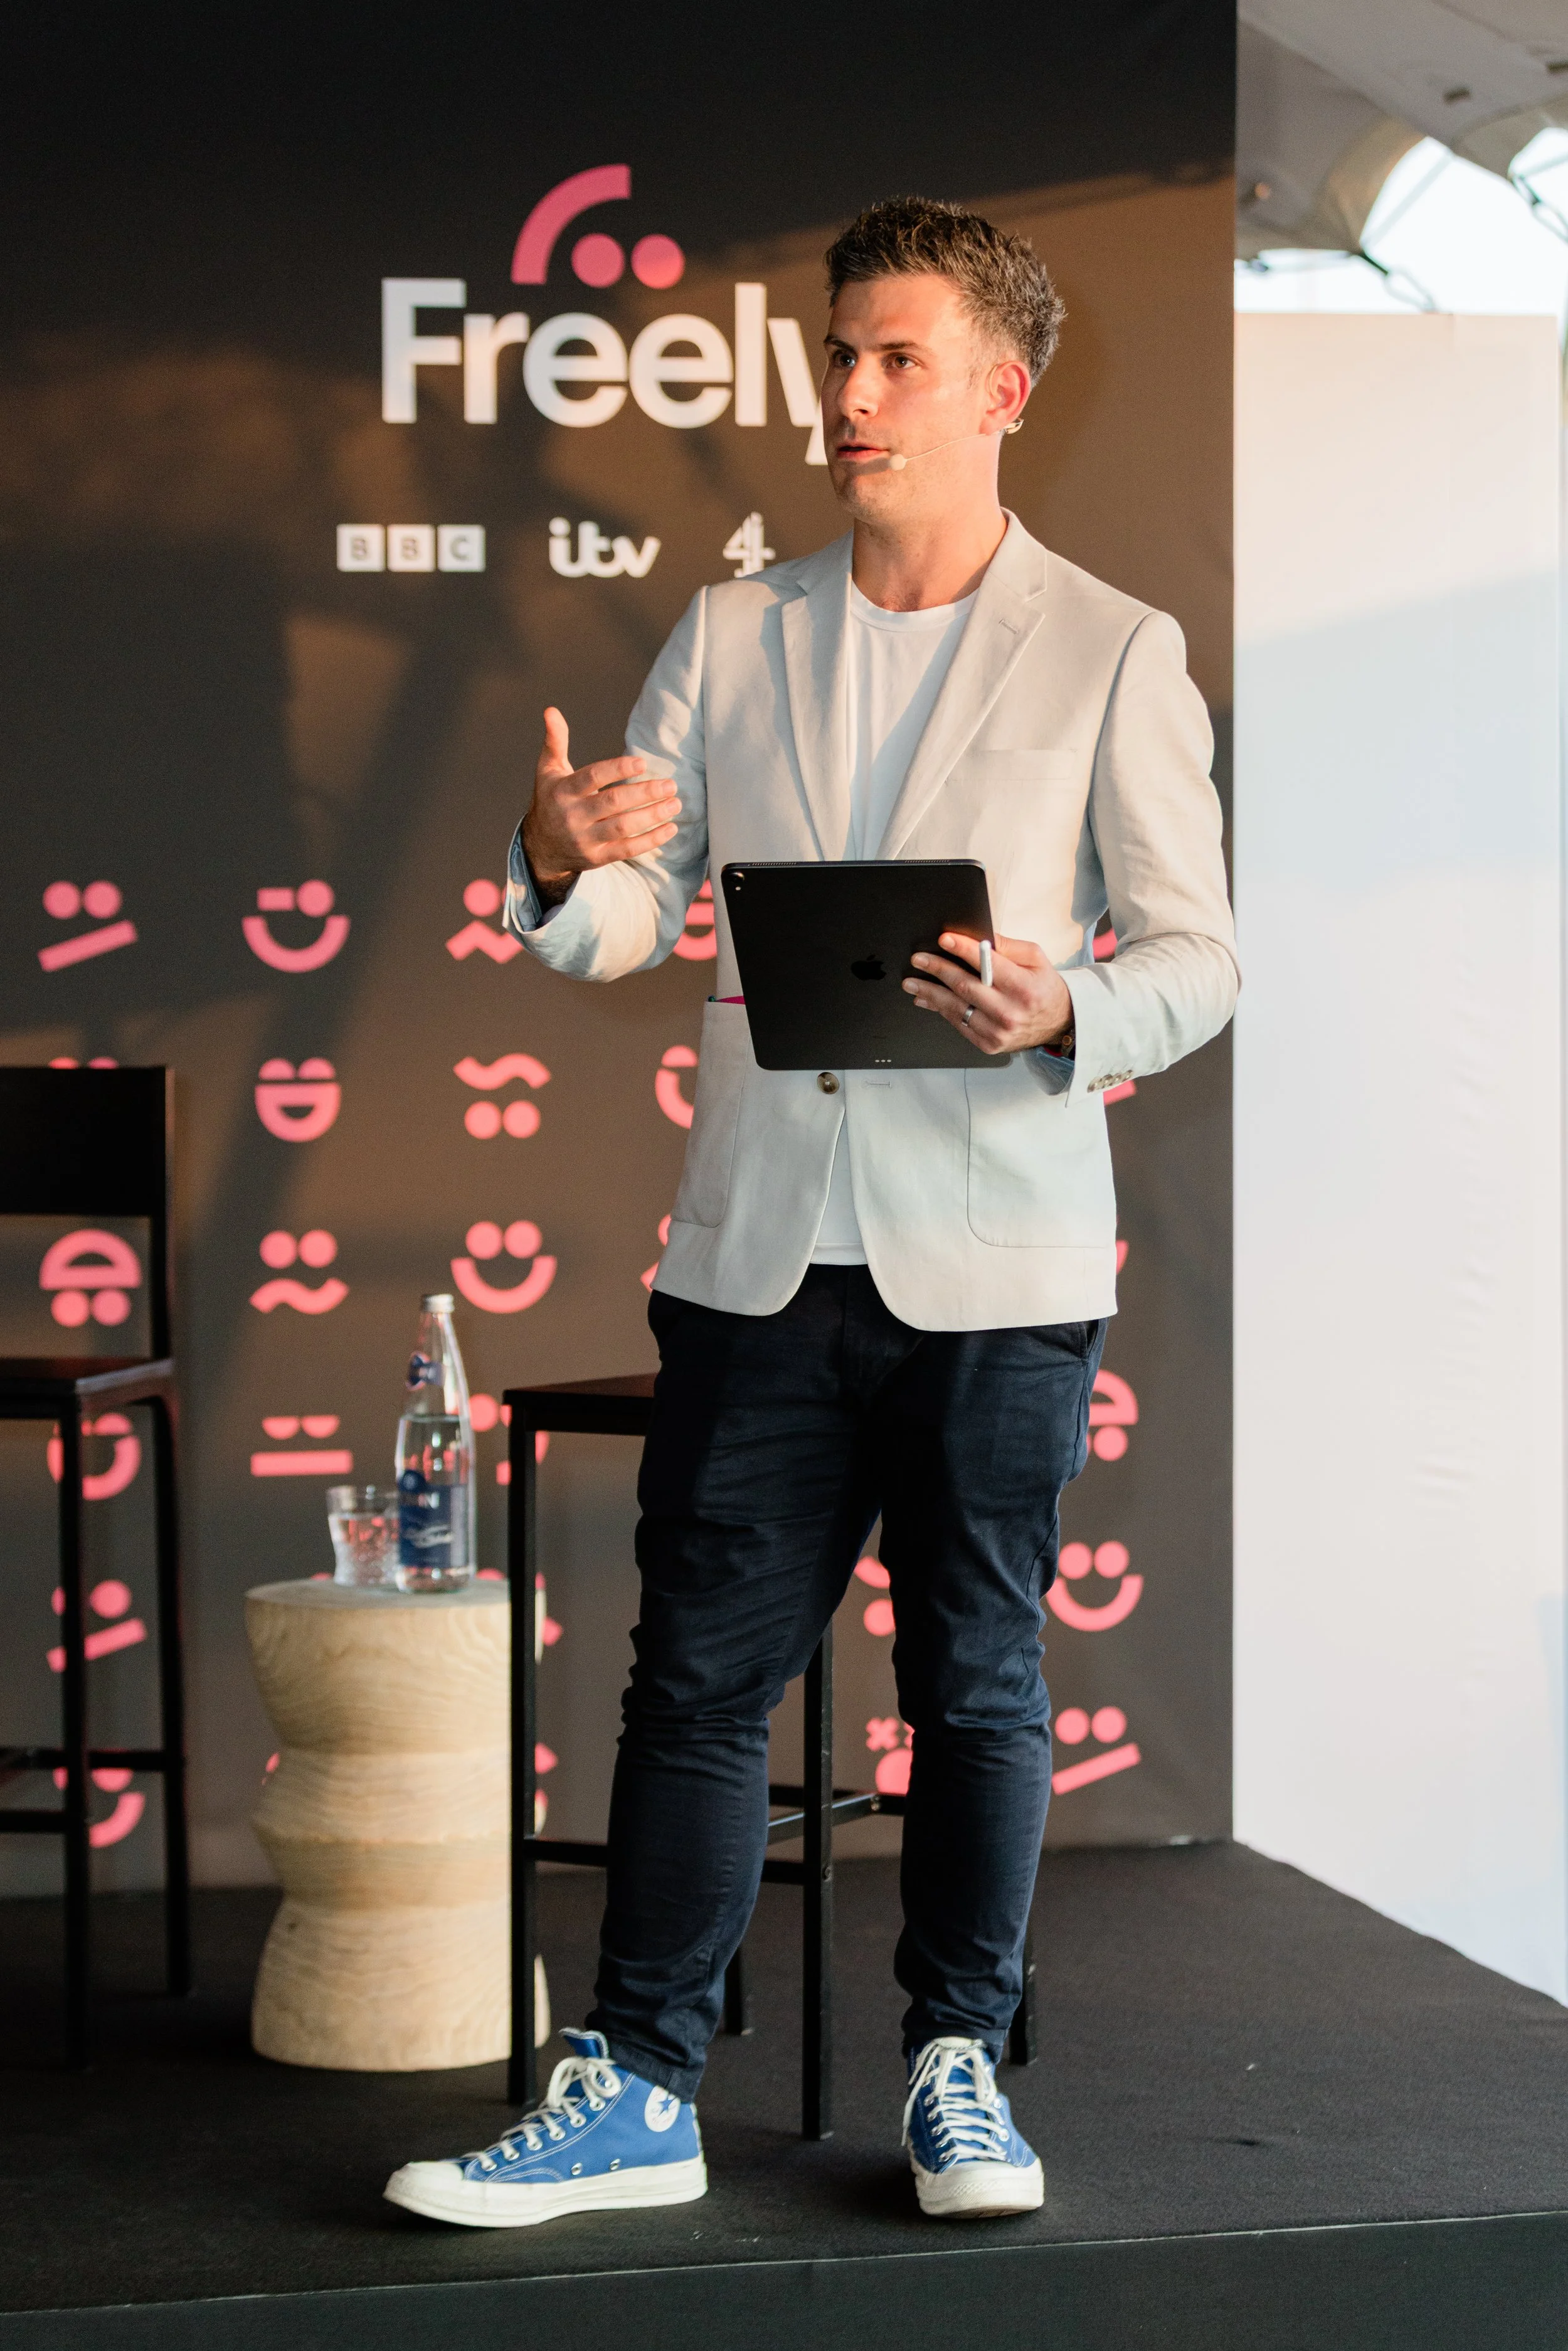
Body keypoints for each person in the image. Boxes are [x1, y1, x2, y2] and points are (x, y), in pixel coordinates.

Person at [385, 194, 1237, 2232]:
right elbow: (614, 928)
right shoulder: (735, 626)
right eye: (837, 355)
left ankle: (959, 2068)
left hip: (1000, 1255)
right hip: (759, 1249)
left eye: (894, 360)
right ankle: (639, 2085)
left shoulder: (1113, 645)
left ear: (998, 393)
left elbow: (1200, 955)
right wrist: (549, 844)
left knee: (975, 1678)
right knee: (690, 1677)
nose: (846, 395)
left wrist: (1067, 1005)